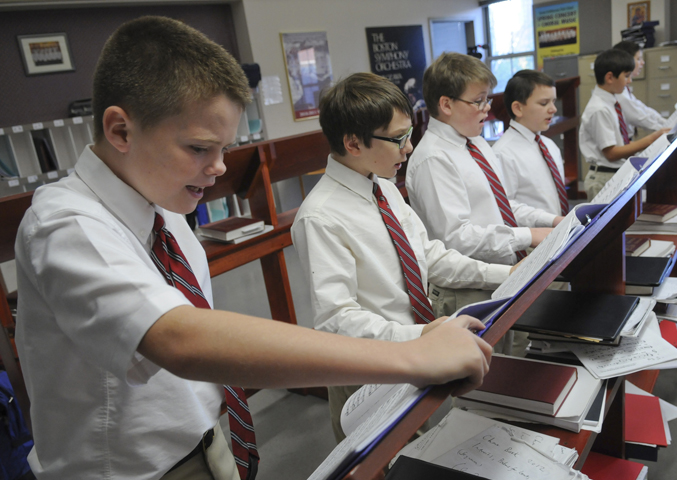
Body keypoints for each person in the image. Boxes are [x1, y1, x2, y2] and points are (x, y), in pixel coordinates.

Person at [13, 17, 492, 480]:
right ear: (120, 131)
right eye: (200, 148)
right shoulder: (65, 224)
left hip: (206, 439)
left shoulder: (163, 210)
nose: (220, 167)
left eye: (225, 148)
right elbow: (181, 338)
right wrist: (416, 355)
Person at [291, 72, 514, 442]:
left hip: (413, 351)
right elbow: (336, 319)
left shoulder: (382, 186)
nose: (409, 148)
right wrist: (420, 333)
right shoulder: (321, 216)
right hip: (370, 368)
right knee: (388, 461)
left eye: (409, 134)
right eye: (398, 139)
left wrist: (506, 273)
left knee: (421, 444)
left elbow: (429, 256)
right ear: (353, 143)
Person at [405, 52, 561, 317]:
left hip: (505, 272)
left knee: (517, 351)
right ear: (446, 104)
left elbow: (501, 205)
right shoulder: (433, 158)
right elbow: (457, 238)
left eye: (487, 98)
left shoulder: (475, 142)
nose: (487, 107)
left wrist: (552, 221)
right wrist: (528, 235)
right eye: (478, 101)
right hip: (468, 290)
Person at [579, 49, 670, 200]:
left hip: (614, 173)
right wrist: (653, 138)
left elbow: (619, 142)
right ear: (610, 77)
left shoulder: (611, 102)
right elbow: (612, 154)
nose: (630, 81)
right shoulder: (600, 109)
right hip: (604, 177)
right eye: (626, 76)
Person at [492, 70, 568, 216]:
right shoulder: (503, 153)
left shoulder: (549, 145)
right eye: (544, 103)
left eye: (554, 101)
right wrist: (550, 220)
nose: (553, 109)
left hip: (559, 230)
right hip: (533, 235)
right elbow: (506, 207)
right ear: (518, 108)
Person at [613, 40, 668, 139]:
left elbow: (642, 109)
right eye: (638, 59)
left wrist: (665, 123)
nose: (642, 62)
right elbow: (638, 117)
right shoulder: (619, 92)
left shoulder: (624, 90)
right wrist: (665, 129)